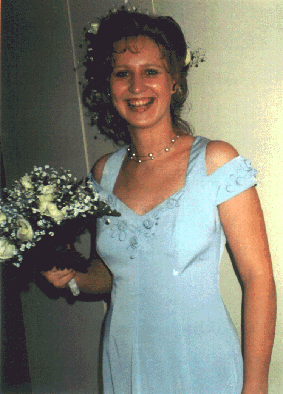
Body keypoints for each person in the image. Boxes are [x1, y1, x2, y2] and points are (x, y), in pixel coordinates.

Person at [43, 7, 276, 394]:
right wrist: (74, 279)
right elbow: (110, 274)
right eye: (122, 73)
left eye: (150, 71)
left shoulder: (216, 161)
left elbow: (259, 280)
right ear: (108, 86)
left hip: (201, 361)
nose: (136, 87)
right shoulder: (104, 174)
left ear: (174, 83)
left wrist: (255, 384)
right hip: (126, 359)